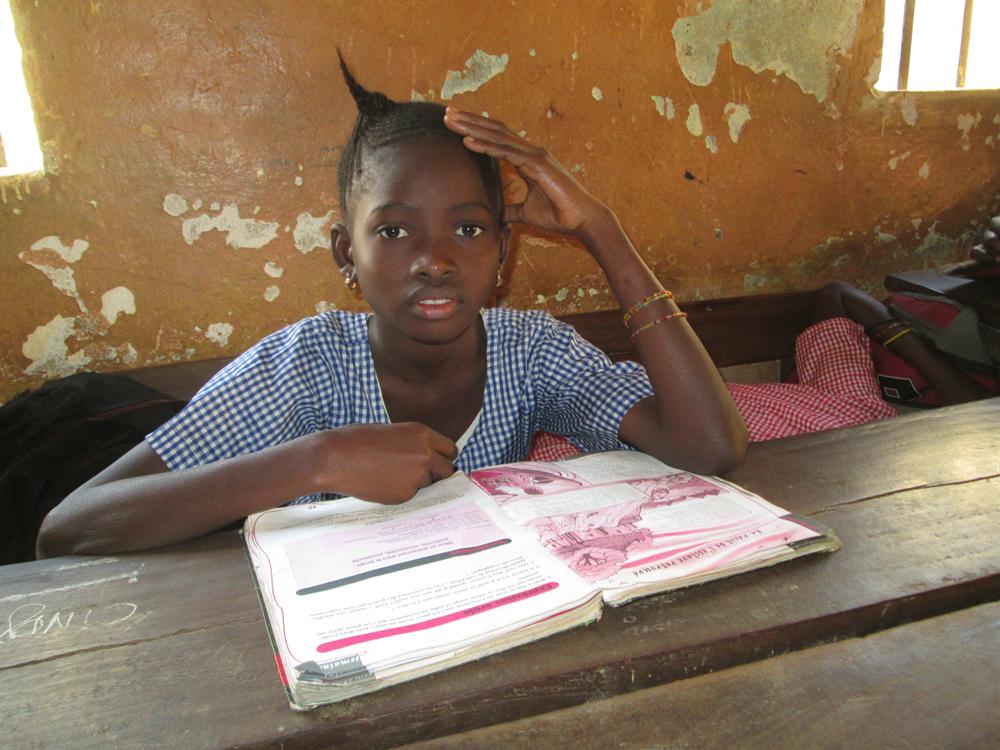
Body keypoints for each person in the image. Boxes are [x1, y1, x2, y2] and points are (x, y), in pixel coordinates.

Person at [35, 56, 746, 557]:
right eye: (396, 231)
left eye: (469, 230)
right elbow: (69, 528)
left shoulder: (532, 351)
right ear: (346, 254)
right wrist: (316, 460)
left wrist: (602, 230)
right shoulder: (304, 365)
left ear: (504, 252)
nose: (435, 259)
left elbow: (709, 446)